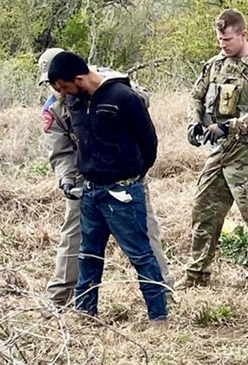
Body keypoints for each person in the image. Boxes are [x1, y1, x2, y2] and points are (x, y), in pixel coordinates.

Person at [37, 48, 173, 308]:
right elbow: (60, 151)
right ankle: (61, 300)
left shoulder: (110, 86)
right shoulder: (54, 108)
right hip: (83, 177)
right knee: (75, 240)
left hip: (124, 174)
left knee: (144, 236)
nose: (58, 90)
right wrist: (67, 180)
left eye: (60, 84)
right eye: (52, 85)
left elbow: (143, 130)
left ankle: (162, 293)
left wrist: (135, 173)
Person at [177, 9, 248, 291]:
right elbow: (195, 96)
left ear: (243, 34)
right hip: (219, 152)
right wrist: (194, 123)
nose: (223, 45)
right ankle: (197, 274)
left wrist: (231, 126)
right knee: (203, 211)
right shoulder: (214, 65)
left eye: (228, 39)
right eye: (220, 39)